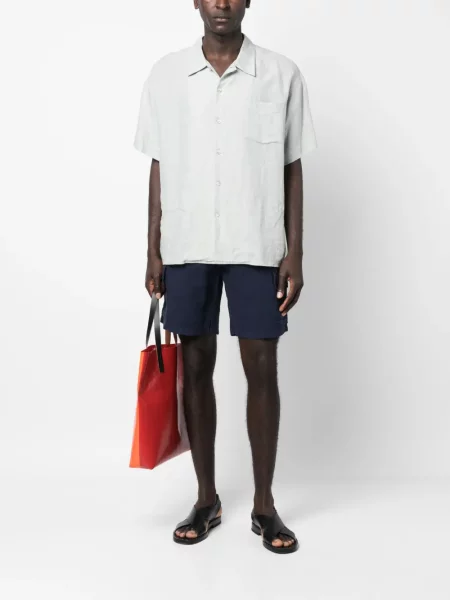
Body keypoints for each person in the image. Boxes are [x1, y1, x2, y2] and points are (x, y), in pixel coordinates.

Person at [133, 0, 317, 555]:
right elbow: (159, 165)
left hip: (257, 245)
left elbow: (291, 166)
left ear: (247, 1)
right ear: (195, 1)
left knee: (262, 366)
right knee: (194, 366)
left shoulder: (281, 74)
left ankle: (265, 505)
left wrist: (295, 252)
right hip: (187, 243)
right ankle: (206, 498)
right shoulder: (166, 75)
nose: (222, 3)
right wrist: (153, 249)